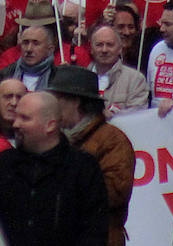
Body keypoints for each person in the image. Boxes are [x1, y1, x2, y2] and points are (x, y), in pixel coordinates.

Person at [0, 91, 109, 246]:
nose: (16, 124)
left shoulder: (82, 167)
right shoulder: (4, 164)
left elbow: (94, 229)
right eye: (16, 117)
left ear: (50, 125)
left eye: (25, 118)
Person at [49, 66, 135, 246]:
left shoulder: (112, 140)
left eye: (57, 99)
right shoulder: (55, 139)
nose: (51, 105)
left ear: (76, 102)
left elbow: (115, 193)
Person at [88, 23, 149, 114]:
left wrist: (112, 116)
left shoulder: (135, 80)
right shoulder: (81, 79)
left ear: (120, 48)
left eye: (110, 45)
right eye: (99, 45)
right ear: (91, 49)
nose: (104, 50)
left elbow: (137, 117)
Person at [0, 24, 57, 91]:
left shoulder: (58, 77)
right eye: (25, 43)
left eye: (36, 44)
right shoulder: (6, 74)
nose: (29, 49)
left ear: (50, 49)